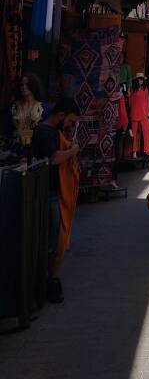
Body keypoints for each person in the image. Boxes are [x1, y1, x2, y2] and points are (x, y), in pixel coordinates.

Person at [31, 97, 81, 303]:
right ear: (60, 116)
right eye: (70, 121)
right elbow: (54, 159)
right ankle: (50, 282)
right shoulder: (44, 132)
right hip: (50, 194)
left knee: (55, 239)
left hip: (54, 193)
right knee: (53, 240)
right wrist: (73, 151)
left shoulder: (54, 132)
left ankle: (52, 280)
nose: (71, 125)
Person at [0, 73, 47, 158]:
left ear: (33, 86)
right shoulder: (12, 107)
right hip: (13, 150)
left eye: (27, 84)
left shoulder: (43, 108)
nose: (24, 87)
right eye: (22, 84)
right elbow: (5, 129)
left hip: (34, 151)